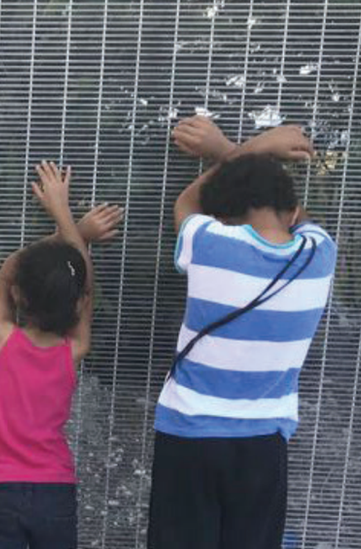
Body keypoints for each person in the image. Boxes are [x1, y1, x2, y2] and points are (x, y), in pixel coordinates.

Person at [147, 116, 337, 549]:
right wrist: (234, 150)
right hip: (261, 444)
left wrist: (254, 145)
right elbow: (298, 216)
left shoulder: (211, 242)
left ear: (225, 213)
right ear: (291, 212)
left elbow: (185, 203)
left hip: (189, 434)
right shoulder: (319, 255)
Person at [0, 161, 123, 549]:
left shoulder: (3, 337)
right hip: (55, 488)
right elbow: (83, 284)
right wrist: (67, 220)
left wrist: (64, 228)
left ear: (17, 294)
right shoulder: (73, 350)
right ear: (76, 304)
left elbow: (9, 268)